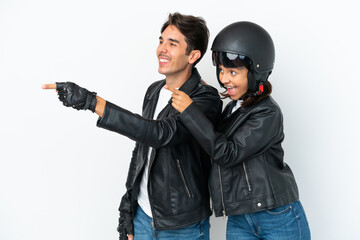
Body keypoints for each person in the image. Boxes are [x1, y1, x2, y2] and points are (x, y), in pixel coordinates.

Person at [42, 13, 222, 240]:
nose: (161, 50)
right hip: (143, 217)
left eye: (172, 44)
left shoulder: (205, 99)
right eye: (161, 41)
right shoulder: (154, 91)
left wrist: (92, 102)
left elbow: (160, 134)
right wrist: (127, 207)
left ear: (193, 55)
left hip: (182, 225)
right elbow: (141, 150)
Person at [166, 21, 311, 239]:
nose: (224, 79)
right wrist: (199, 97)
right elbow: (210, 141)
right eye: (222, 71)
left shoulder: (267, 114)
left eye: (233, 72)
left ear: (256, 72)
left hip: (275, 214)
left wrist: (189, 111)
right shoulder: (232, 111)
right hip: (240, 217)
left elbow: (227, 153)